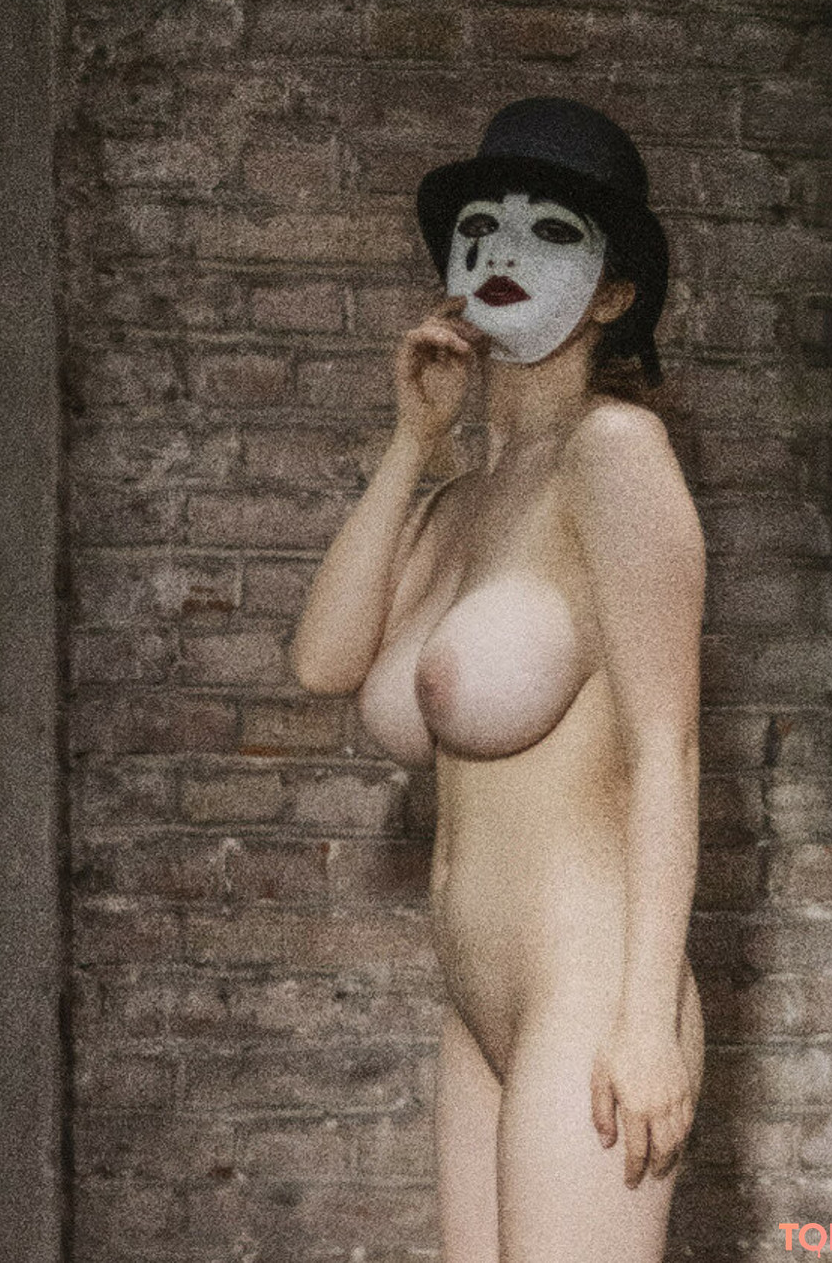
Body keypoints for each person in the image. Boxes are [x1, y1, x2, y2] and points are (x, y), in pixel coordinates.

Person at [292, 98, 706, 1263]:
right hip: (477, 1006)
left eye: (552, 230)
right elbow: (324, 662)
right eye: (480, 226)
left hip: (593, 991)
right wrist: (413, 442)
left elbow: (669, 750)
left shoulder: (615, 455)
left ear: (614, 293)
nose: (503, 249)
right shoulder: (456, 503)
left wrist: (646, 1022)